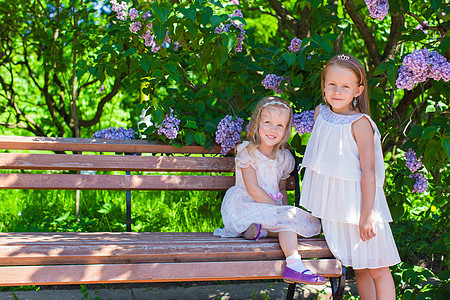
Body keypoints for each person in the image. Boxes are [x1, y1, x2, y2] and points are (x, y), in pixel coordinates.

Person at [300, 54, 401, 299]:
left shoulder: (360, 123)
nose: (337, 91)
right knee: (361, 268)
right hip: (338, 210)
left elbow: (369, 171)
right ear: (323, 85)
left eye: (345, 86)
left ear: (358, 90)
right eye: (331, 84)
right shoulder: (320, 114)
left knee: (377, 267)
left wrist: (367, 214)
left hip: (361, 207)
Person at [213, 96, 326, 285]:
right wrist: (282, 213)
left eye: (280, 125)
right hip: (245, 205)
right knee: (287, 221)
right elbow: (253, 189)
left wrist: (286, 211)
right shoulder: (246, 152)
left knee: (302, 223)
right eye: (268, 122)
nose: (273, 129)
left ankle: (264, 234)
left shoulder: (285, 159)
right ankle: (294, 263)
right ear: (257, 123)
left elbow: (282, 190)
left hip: (271, 210)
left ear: (286, 130)